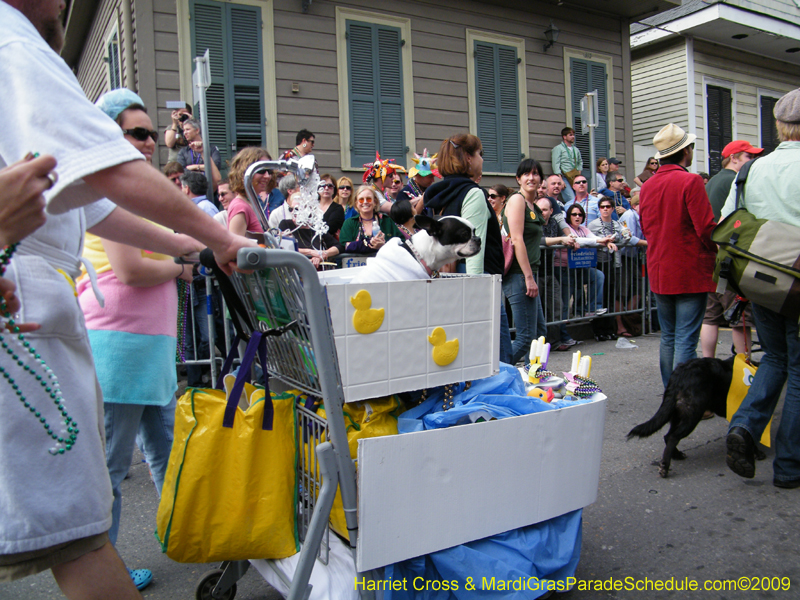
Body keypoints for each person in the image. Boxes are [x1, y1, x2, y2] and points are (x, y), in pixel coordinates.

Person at [0, 2, 252, 595]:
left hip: (71, 333)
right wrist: (214, 239)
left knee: (83, 519)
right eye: (132, 134)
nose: (64, 3)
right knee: (84, 529)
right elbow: (116, 197)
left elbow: (105, 210)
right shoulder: (13, 41)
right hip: (66, 336)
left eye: (146, 134)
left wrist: (197, 246)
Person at [78, 90, 195, 590]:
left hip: (146, 349)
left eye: (151, 133)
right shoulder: (108, 191)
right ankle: (106, 573)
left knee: (167, 456)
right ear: (110, 134)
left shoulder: (130, 191)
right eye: (138, 133)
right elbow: (127, 271)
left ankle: (189, 537)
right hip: (118, 347)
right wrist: (182, 268)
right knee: (109, 472)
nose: (150, 142)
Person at [721, 88, 800, 489]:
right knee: (798, 369)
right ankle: (788, 466)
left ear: (780, 127)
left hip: (763, 280)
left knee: (774, 359)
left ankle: (745, 428)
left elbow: (728, 222)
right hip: (798, 284)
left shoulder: (750, 170)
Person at [639, 123, 717, 389]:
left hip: (660, 267)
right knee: (684, 338)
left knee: (669, 336)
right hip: (688, 268)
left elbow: (647, 226)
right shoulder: (690, 180)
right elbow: (706, 228)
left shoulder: (648, 186)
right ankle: (684, 397)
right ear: (686, 151)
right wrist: (717, 249)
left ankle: (671, 394)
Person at [423, 133, 512, 364]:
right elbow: (475, 249)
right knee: (498, 357)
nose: (482, 160)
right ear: (469, 159)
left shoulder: (441, 192)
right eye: (480, 154)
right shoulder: (472, 193)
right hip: (479, 282)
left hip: (453, 280)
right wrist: (479, 295)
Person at [499, 159, 547, 365]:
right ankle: (494, 372)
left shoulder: (531, 205)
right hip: (519, 275)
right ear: (518, 178)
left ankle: (533, 377)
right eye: (526, 174)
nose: (531, 177)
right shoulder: (517, 200)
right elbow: (517, 239)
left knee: (539, 333)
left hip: (527, 273)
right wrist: (529, 278)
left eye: (536, 174)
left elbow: (532, 239)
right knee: (526, 337)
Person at [588, 197, 645, 341]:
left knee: (612, 296)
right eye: (602, 207)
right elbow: (590, 241)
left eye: (608, 206)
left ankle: (610, 328)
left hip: (615, 262)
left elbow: (625, 238)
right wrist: (603, 241)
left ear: (613, 209)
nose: (605, 209)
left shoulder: (617, 223)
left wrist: (625, 237)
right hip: (601, 262)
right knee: (601, 296)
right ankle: (599, 330)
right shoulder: (593, 224)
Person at [535, 196, 577, 345]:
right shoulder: (534, 223)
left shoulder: (554, 223)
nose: (542, 213)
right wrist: (560, 239)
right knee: (537, 311)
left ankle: (554, 342)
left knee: (557, 307)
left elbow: (570, 235)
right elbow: (538, 240)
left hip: (550, 272)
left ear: (551, 211)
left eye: (545, 210)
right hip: (535, 273)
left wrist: (572, 239)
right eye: (539, 210)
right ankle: (537, 345)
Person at [705, 140, 763, 221]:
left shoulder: (713, 180)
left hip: (713, 231)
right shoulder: (736, 181)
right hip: (725, 231)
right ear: (733, 158)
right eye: (749, 157)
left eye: (754, 157)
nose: (752, 161)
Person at [339, 186, 401, 253]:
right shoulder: (349, 223)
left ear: (375, 202)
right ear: (356, 203)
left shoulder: (386, 221)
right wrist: (370, 244)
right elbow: (344, 246)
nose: (365, 202)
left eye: (368, 199)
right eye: (361, 199)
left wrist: (384, 245)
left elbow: (400, 242)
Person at [226, 147, 267, 236]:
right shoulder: (240, 207)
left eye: (269, 171)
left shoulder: (253, 202)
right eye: (261, 171)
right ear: (244, 172)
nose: (267, 176)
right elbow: (236, 247)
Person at [176, 118, 222, 189]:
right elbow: (181, 170)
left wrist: (194, 167)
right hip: (190, 189)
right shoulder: (183, 152)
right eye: (184, 130)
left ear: (197, 130)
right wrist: (204, 168)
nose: (185, 132)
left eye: (187, 129)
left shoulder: (212, 149)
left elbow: (216, 167)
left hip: (210, 188)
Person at [396, 148, 438, 215]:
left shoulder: (430, 191)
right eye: (430, 177)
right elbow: (410, 220)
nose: (433, 180)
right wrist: (422, 200)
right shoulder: (403, 194)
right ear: (418, 175)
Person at [551, 127, 582, 203]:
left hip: (575, 177)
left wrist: (579, 174)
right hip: (564, 177)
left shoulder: (576, 149)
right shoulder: (558, 148)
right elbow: (556, 164)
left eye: (573, 135)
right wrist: (560, 180)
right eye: (570, 135)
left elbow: (580, 162)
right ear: (564, 137)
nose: (573, 137)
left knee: (580, 198)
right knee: (571, 199)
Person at [317, 173, 345, 237]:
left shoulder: (338, 209)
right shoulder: (312, 207)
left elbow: (330, 229)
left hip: (329, 244)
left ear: (334, 190)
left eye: (330, 186)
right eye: (323, 185)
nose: (326, 188)